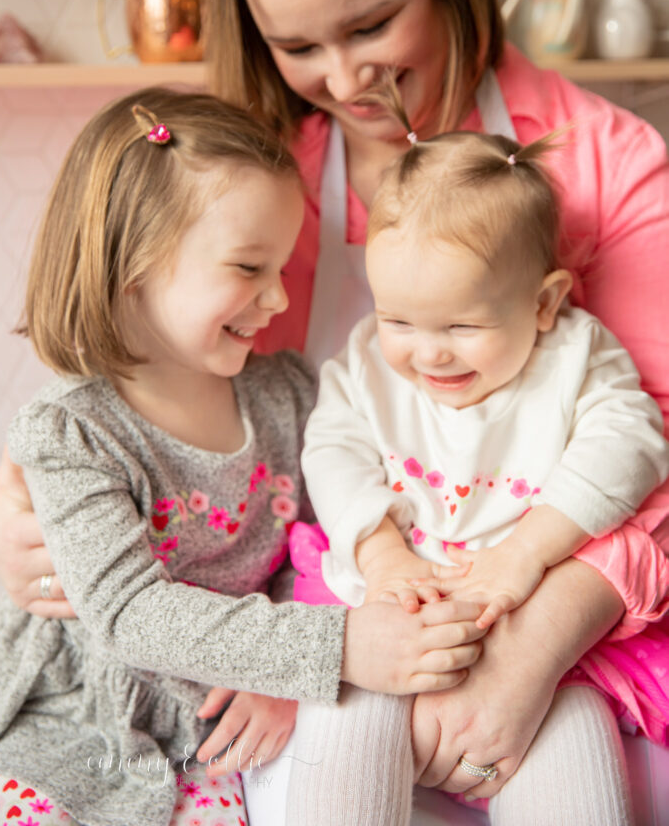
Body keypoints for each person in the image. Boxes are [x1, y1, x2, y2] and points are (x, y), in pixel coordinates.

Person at [0, 0, 669, 820]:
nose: (345, 79)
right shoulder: (255, 188)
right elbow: (145, 411)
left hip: (546, 616)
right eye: (296, 44)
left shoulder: (605, 168)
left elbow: (644, 449)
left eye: (370, 25)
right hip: (322, 612)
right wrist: (26, 522)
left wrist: (526, 640)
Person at [0, 88, 487, 826]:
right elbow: (130, 614)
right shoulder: (72, 434)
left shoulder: (286, 396)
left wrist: (282, 679)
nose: (279, 298)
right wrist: (336, 649)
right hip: (79, 719)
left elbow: (306, 556)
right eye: (249, 268)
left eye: (281, 268)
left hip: (220, 723)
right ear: (134, 268)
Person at [287, 123, 669, 825]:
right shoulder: (369, 360)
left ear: (544, 302)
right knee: (341, 724)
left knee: (575, 750)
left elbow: (632, 444)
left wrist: (526, 552)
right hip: (390, 611)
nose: (428, 354)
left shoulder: (575, 354)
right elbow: (332, 451)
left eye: (461, 327)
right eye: (400, 318)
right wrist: (381, 553)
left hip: (533, 629)